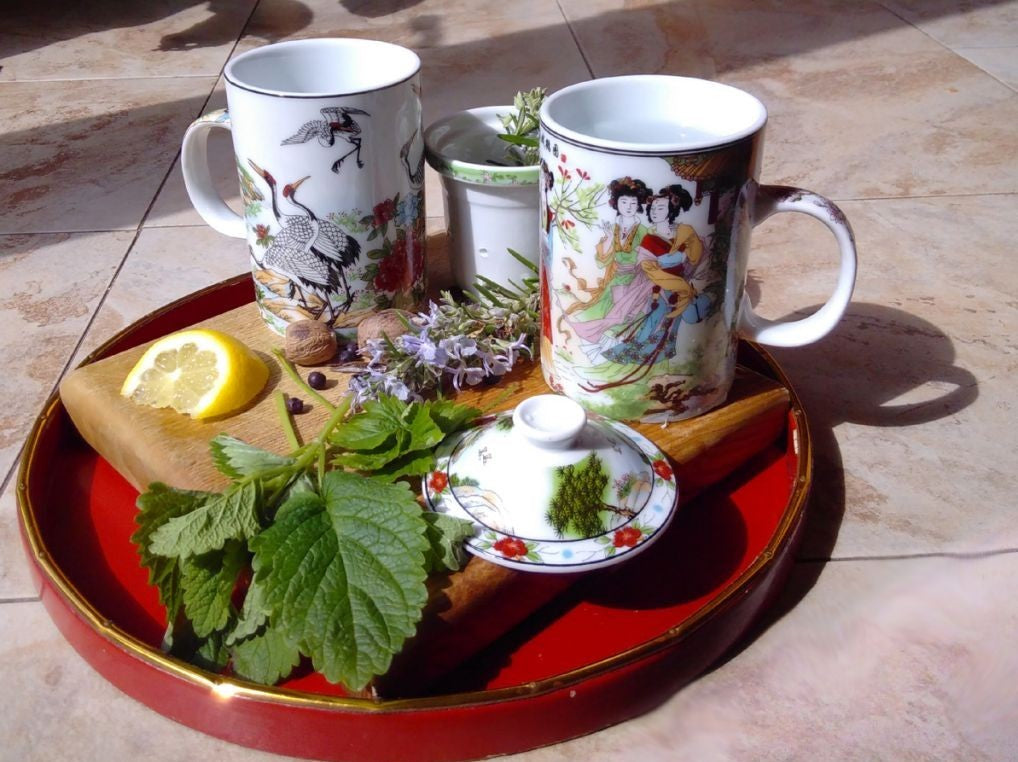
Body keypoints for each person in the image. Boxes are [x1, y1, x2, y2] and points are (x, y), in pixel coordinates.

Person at [561, 177, 651, 359]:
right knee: (599, 312)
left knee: (624, 315)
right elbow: (601, 261)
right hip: (615, 278)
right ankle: (596, 352)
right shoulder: (612, 228)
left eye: (633, 202)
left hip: (635, 280)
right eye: (624, 201)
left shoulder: (643, 231)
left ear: (638, 205)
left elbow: (647, 257)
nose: (628, 206)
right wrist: (609, 237)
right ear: (616, 203)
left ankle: (615, 351)